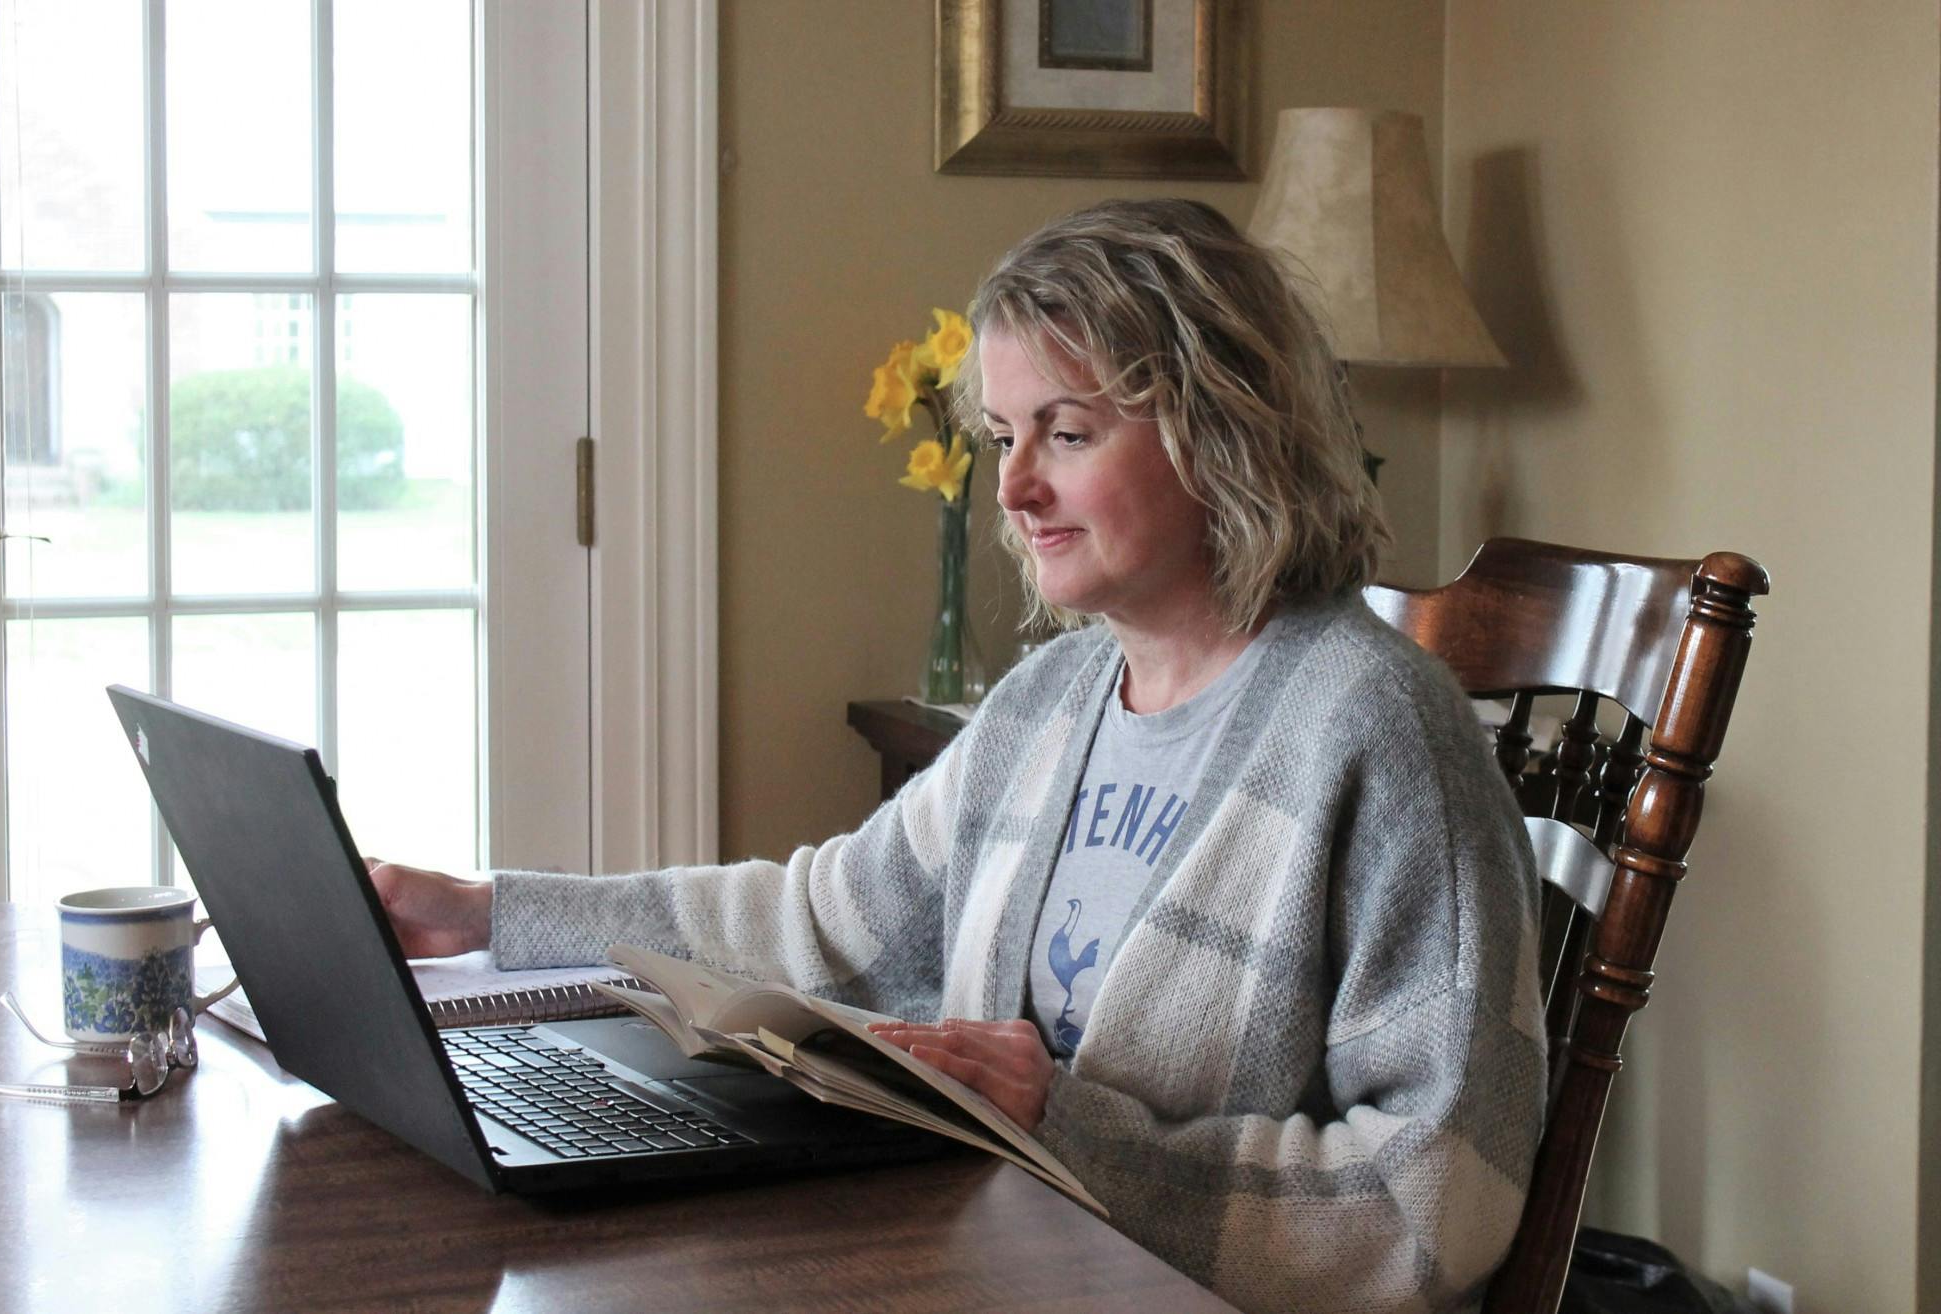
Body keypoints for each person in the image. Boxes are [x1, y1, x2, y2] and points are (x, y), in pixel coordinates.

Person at [371, 198, 1546, 1314]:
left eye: (1067, 433)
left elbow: (1433, 1204)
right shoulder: (1045, 705)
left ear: (1220, 425)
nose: (1016, 487)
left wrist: (1067, 1129)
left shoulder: (1377, 733)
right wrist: (485, 913)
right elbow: (816, 925)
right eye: (1000, 435)